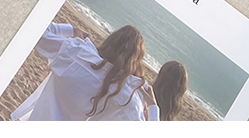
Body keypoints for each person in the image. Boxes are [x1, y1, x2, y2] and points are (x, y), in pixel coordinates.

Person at [11, 23, 152, 121]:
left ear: (110, 42)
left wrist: (72, 30)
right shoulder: (126, 98)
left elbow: (37, 32)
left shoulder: (76, 53)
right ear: (135, 62)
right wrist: (153, 108)